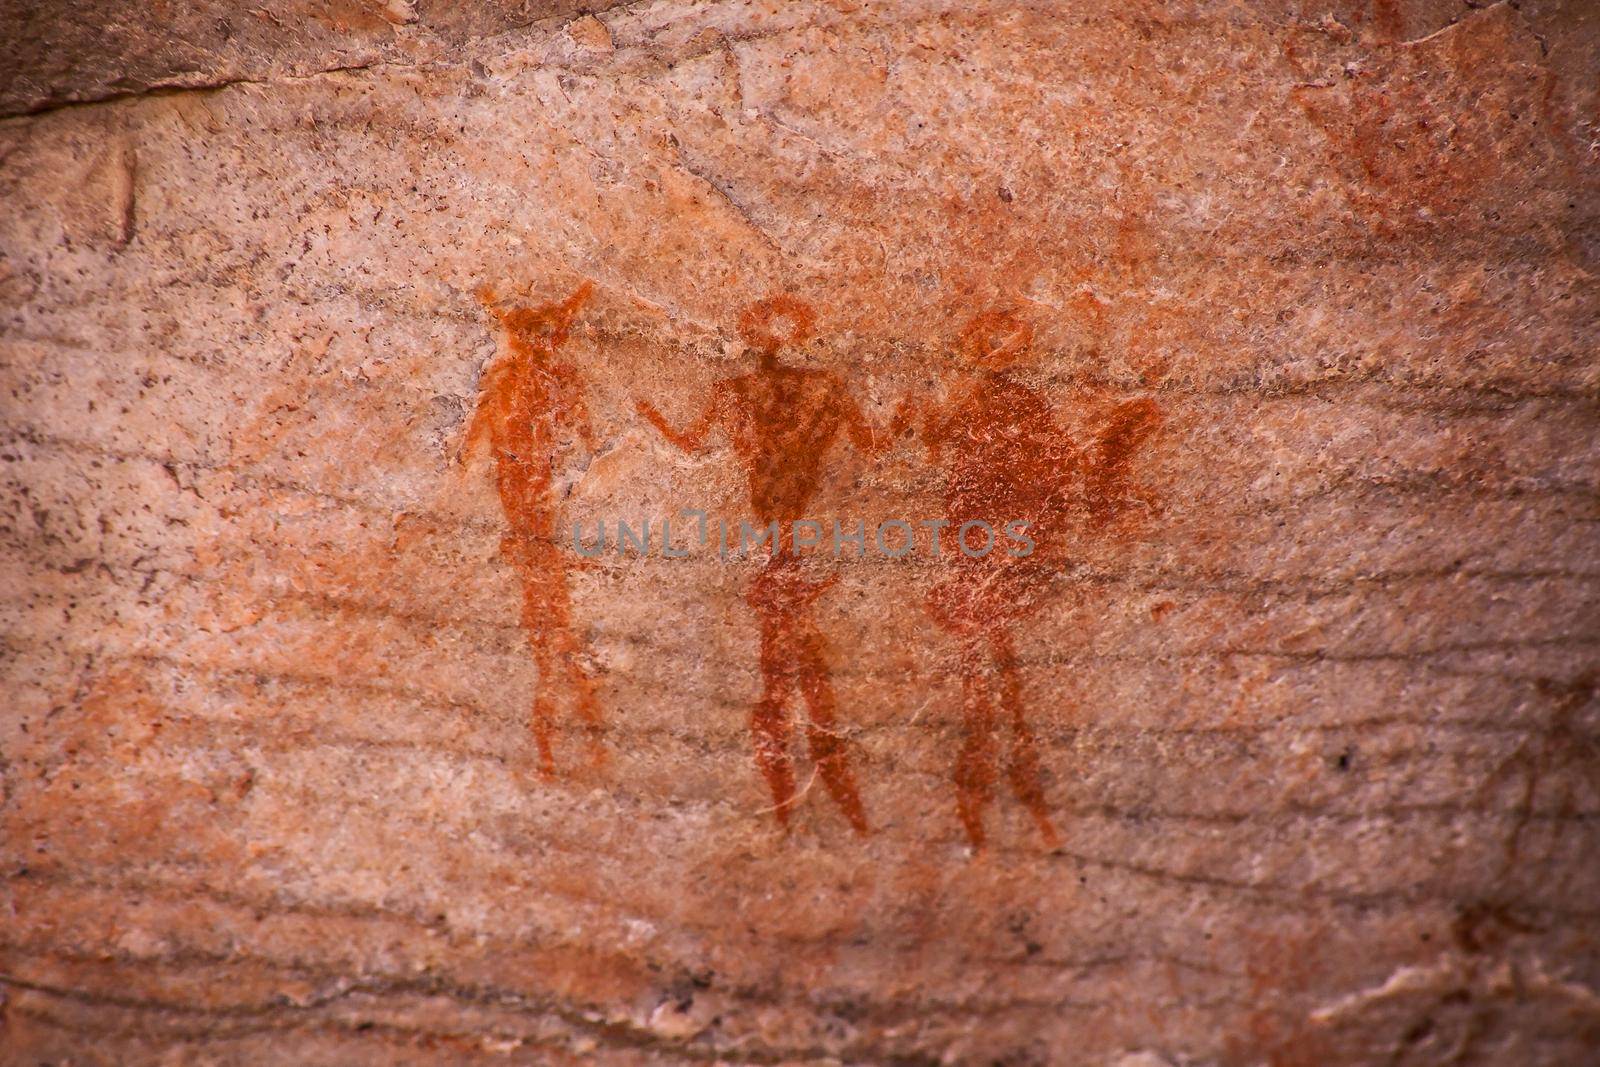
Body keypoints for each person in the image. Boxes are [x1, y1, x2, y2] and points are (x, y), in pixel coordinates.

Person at [896, 307, 1160, 848]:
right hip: (985, 556)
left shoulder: (1002, 405)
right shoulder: (997, 406)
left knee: (997, 690)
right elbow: (1042, 470)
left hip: (988, 557)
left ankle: (1001, 809)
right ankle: (992, 810)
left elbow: (1040, 469)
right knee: (995, 690)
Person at [637, 295, 877, 833]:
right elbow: (871, 442)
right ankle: (809, 799)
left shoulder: (737, 391)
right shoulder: (827, 389)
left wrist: (651, 417)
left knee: (788, 670)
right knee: (800, 671)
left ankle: (796, 799)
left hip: (777, 536)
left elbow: (689, 442)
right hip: (787, 541)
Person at [465, 281, 605, 778]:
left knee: (554, 634)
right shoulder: (516, 378)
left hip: (534, 503)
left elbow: (581, 431)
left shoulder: (548, 377)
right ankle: (564, 745)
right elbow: (476, 444)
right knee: (553, 636)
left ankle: (564, 746)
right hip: (526, 502)